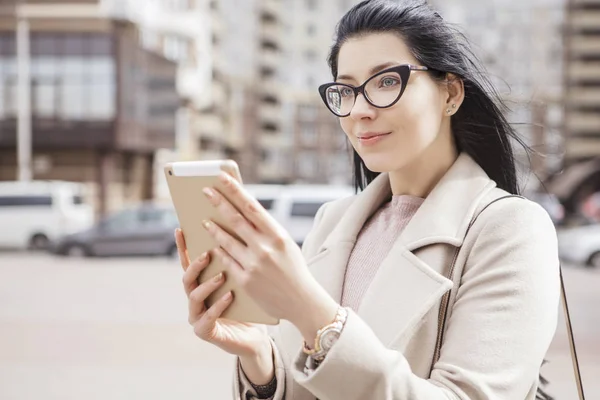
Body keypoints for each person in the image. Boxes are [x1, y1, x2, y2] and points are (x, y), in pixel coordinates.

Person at [174, 0, 560, 399]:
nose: (359, 110)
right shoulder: (333, 222)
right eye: (346, 89)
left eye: (386, 81)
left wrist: (311, 312)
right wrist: (260, 359)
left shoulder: (510, 229)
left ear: (450, 93)